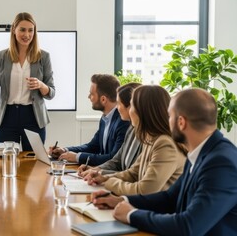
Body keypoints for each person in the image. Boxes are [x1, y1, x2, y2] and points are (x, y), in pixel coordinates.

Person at [91, 88, 237, 235]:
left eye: (169, 116)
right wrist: (121, 200)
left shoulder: (222, 163)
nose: (167, 121)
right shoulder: (200, 153)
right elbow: (170, 198)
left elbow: (188, 226)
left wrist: (131, 215)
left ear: (181, 122)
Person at [0, 12, 55, 151]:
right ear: (14, 30)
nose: (26, 34)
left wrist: (40, 85)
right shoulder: (2, 56)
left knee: (34, 164)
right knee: (6, 163)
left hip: (33, 117)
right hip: (7, 117)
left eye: (30, 30)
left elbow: (51, 93)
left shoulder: (43, 56)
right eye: (22, 29)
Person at [88, 85, 186, 195]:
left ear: (143, 111)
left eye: (132, 106)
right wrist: (104, 178)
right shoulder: (151, 139)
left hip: (157, 210)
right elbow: (134, 173)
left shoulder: (164, 144)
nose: (130, 111)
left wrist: (110, 183)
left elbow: (145, 190)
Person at [50, 74, 130, 165]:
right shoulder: (105, 118)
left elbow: (113, 158)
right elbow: (93, 147)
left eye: (91, 94)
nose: (89, 97)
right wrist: (65, 150)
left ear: (103, 99)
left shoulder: (123, 121)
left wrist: (77, 157)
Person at [79, 82, 142, 177]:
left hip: (125, 188)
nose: (117, 108)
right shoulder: (131, 130)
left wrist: (101, 174)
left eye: (119, 104)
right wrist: (96, 169)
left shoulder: (148, 138)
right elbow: (117, 160)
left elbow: (133, 175)